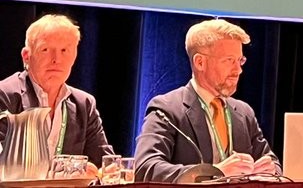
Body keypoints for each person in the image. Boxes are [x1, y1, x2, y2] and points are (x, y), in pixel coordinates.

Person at [133, 18, 280, 182]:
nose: (238, 70)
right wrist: (214, 172)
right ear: (200, 62)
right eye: (229, 60)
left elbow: (272, 162)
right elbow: (145, 168)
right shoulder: (167, 110)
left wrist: (270, 169)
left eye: (240, 61)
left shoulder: (244, 112)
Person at [0, 14, 113, 175]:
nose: (56, 59)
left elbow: (102, 164)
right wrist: (67, 171)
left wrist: (110, 171)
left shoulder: (84, 104)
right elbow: (5, 166)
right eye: (45, 50)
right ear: (26, 56)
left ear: (74, 56)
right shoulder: (4, 96)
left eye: (64, 50)